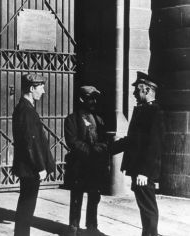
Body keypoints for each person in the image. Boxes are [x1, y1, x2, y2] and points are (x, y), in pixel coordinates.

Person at [111, 71, 164, 236]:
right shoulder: (143, 110)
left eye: (137, 89)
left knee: (148, 208)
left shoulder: (154, 112)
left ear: (147, 90)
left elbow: (154, 145)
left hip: (143, 171)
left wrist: (144, 172)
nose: (134, 93)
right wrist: (106, 148)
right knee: (144, 207)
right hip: (139, 169)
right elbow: (132, 141)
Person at [12, 72, 55, 236]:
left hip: (28, 167)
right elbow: (31, 143)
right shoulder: (27, 111)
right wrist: (40, 166)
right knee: (27, 206)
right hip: (31, 168)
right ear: (32, 88)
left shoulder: (24, 108)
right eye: (41, 87)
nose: (43, 91)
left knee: (26, 205)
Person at [64, 86, 109, 236]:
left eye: (95, 99)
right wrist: (92, 151)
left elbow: (104, 141)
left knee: (94, 196)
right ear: (82, 99)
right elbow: (72, 142)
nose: (94, 102)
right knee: (76, 197)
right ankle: (73, 227)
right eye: (90, 98)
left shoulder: (99, 119)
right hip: (79, 166)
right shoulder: (71, 119)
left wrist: (101, 149)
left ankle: (91, 226)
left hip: (95, 167)